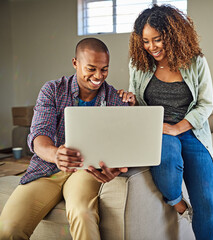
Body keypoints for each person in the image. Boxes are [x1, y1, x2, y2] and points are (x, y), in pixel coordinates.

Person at [0, 38, 129, 240]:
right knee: (9, 228)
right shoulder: (52, 90)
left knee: (83, 214)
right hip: (47, 169)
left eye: (104, 69)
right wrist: (55, 154)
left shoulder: (114, 99)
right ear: (75, 63)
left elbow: (121, 144)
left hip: (86, 170)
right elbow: (39, 135)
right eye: (91, 68)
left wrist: (114, 166)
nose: (98, 76)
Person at [120, 4, 213, 239]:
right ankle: (178, 205)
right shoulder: (139, 64)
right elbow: (139, 101)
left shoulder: (195, 62)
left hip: (191, 130)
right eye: (145, 41)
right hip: (156, 130)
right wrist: (130, 101)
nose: (151, 47)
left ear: (173, 35)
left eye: (157, 39)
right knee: (167, 158)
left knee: (207, 201)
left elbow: (206, 104)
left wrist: (177, 128)